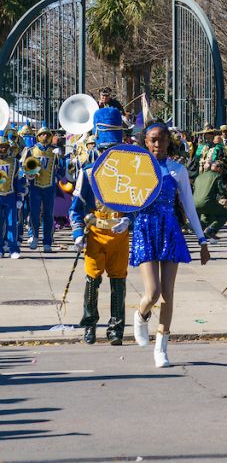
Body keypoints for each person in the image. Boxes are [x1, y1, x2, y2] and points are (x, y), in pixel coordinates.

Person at [131, 121, 210, 367]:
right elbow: (126, 199)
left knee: (167, 294)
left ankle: (161, 347)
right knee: (152, 292)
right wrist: (124, 220)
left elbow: (189, 204)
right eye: (153, 139)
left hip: (170, 230)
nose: (157, 144)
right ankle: (141, 314)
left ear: (168, 141)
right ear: (145, 142)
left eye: (162, 139)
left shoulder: (178, 170)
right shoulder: (137, 168)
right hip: (145, 228)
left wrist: (202, 239)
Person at [70, 108, 132, 345]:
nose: (109, 154)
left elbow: (139, 205)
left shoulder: (130, 173)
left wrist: (130, 220)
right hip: (95, 234)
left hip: (120, 234)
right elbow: (76, 208)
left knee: (119, 282)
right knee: (92, 281)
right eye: (106, 149)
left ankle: (116, 328)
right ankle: (90, 325)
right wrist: (77, 234)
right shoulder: (87, 173)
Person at [23, 127, 60, 252]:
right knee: (34, 213)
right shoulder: (31, 150)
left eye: (47, 134)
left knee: (48, 214)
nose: (45, 136)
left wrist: (61, 159)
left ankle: (47, 241)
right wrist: (29, 174)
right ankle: (33, 236)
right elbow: (23, 167)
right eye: (42, 134)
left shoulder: (54, 152)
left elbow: (62, 170)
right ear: (38, 136)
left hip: (49, 187)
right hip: (35, 187)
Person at [193, 160, 227, 243]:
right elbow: (221, 191)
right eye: (221, 169)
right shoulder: (216, 176)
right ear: (218, 168)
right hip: (207, 203)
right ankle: (211, 230)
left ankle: (201, 234)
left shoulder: (199, 176)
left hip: (194, 203)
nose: (222, 171)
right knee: (225, 213)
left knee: (205, 216)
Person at [0, 136, 25, 259]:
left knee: (12, 223)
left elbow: (18, 180)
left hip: (10, 195)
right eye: (0, 146)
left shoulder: (14, 161)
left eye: (4, 146)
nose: (2, 149)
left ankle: (13, 248)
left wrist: (20, 197)